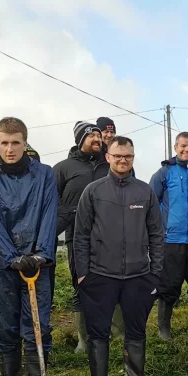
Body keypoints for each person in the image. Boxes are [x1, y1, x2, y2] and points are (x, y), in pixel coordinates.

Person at [0, 117, 59, 376]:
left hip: (38, 263)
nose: (10, 149)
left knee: (37, 327)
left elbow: (49, 213)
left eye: (15, 143)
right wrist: (12, 257)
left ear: (25, 142)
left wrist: (41, 254)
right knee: (5, 327)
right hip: (2, 265)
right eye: (4, 143)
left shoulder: (45, 175)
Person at [73, 136, 165, 376]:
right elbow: (80, 235)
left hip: (138, 276)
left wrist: (155, 273)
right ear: (108, 157)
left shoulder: (145, 192)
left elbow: (157, 234)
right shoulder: (93, 191)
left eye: (128, 156)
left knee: (136, 332)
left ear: (133, 158)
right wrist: (83, 273)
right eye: (118, 156)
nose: (123, 160)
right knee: (98, 332)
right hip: (99, 275)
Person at [54, 122, 109, 353]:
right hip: (77, 236)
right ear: (80, 140)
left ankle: (113, 333)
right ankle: (83, 339)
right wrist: (66, 217)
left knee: (111, 283)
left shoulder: (110, 164)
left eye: (99, 134)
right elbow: (52, 200)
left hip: (109, 235)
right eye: (91, 135)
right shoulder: (63, 168)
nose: (97, 138)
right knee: (81, 283)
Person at [150, 132, 188, 340]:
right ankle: (164, 328)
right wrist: (162, 225)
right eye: (183, 146)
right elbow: (152, 201)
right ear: (176, 147)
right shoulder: (164, 172)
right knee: (168, 284)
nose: (186, 150)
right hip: (171, 239)